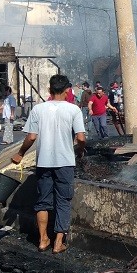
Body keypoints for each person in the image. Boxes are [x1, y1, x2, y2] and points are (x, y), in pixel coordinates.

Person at [11, 74, 85, 254]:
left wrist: (20, 153)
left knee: (42, 201)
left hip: (43, 162)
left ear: (49, 90)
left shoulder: (38, 109)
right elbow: (81, 138)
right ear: (67, 90)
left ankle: (43, 239)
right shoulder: (74, 110)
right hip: (65, 163)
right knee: (63, 201)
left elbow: (31, 137)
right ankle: (58, 243)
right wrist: (79, 150)